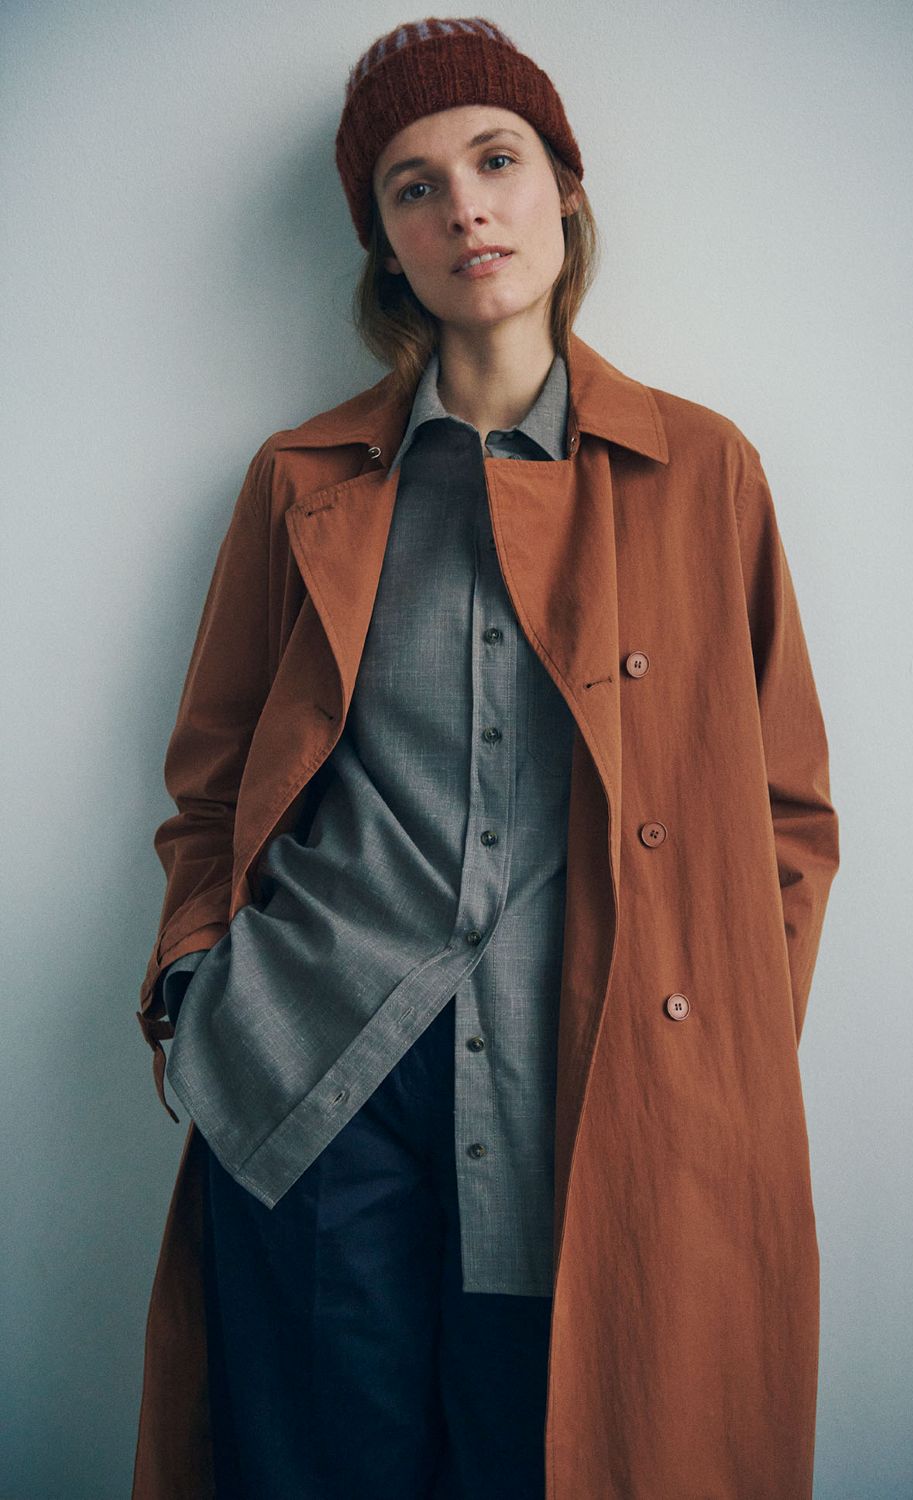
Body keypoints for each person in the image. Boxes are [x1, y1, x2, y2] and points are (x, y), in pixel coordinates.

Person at [132, 17, 840, 1500]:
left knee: (560, 1461)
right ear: (385, 247)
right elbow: (214, 786)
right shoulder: (302, 482)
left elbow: (786, 814)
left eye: (496, 161)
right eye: (415, 186)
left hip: (591, 1106)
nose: (464, 207)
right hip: (315, 1086)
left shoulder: (702, 472)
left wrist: (713, 1061)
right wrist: (200, 982)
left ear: (562, 191)